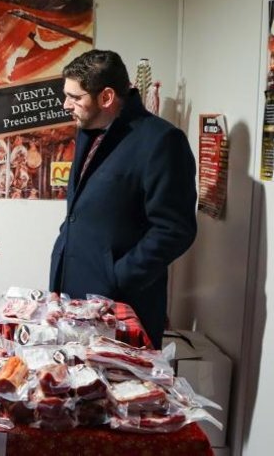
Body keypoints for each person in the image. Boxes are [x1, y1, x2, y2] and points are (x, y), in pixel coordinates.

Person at [48, 50, 197, 349]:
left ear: (106, 97)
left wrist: (117, 276)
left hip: (121, 306)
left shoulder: (161, 140)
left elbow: (175, 229)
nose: (67, 105)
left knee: (118, 393)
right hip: (72, 296)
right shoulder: (89, 130)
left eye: (75, 97)